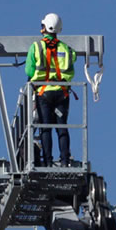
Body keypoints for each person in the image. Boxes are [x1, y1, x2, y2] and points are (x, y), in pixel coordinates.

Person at [25, 13, 77, 167]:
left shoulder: (36, 47)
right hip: (62, 94)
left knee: (45, 128)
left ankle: (47, 162)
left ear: (44, 28)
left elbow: (29, 70)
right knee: (62, 127)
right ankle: (65, 160)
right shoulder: (66, 48)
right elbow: (73, 57)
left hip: (44, 93)